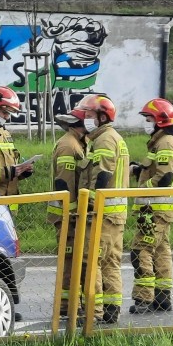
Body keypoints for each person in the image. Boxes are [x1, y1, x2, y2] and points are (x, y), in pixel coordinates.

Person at [76, 94, 129, 324]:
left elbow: (103, 176)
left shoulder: (104, 140)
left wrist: (89, 205)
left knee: (92, 261)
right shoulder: (105, 137)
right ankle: (111, 309)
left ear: (101, 116)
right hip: (113, 213)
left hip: (103, 213)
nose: (85, 118)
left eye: (88, 114)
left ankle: (94, 312)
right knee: (110, 261)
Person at [129, 98, 173, 314]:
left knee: (140, 249)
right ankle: (162, 298)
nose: (146, 122)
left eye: (148, 118)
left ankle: (144, 299)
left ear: (160, 121)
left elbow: (164, 177)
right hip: (160, 209)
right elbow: (156, 171)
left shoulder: (166, 143)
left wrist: (142, 187)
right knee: (161, 252)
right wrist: (139, 171)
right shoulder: (162, 142)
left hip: (155, 210)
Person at [47, 111, 89, 316]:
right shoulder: (68, 146)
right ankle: (67, 305)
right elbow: (65, 183)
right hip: (67, 216)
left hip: (70, 214)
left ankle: (71, 303)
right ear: (78, 125)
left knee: (74, 259)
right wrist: (72, 214)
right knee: (70, 260)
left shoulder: (75, 142)